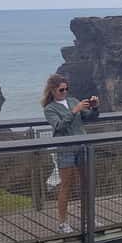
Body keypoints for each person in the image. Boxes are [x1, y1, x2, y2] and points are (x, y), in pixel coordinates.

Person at [42, 74, 100, 234]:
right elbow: (59, 126)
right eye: (61, 90)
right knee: (66, 185)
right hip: (65, 149)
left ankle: (89, 217)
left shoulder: (73, 100)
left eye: (66, 89)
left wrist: (94, 107)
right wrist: (75, 110)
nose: (65, 92)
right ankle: (62, 222)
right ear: (53, 90)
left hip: (82, 146)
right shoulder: (50, 109)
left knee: (86, 183)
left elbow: (89, 118)